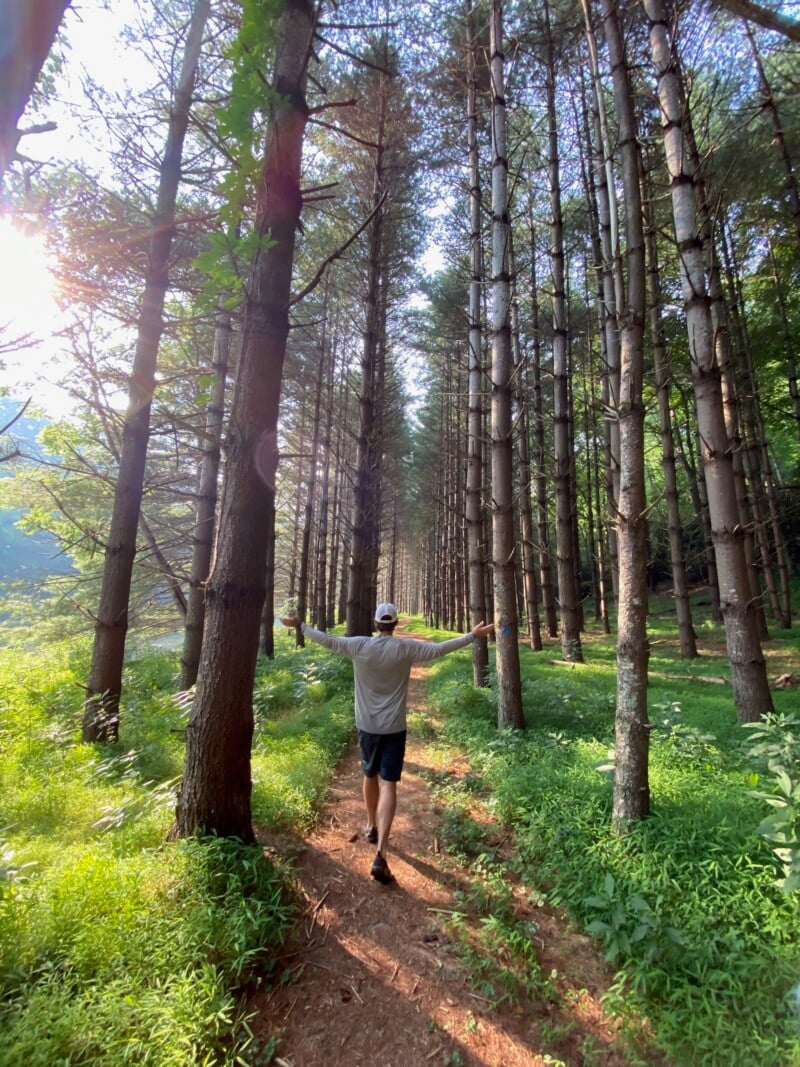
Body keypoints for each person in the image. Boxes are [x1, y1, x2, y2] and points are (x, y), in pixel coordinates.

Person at [279, 603, 494, 885]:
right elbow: (439, 649)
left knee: (368, 774)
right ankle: (380, 853)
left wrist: (301, 626)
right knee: (389, 783)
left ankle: (371, 825)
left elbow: (328, 641)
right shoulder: (405, 649)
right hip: (394, 729)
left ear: (375, 621)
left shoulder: (359, 646)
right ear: (395, 623)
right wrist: (472, 636)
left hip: (367, 727)